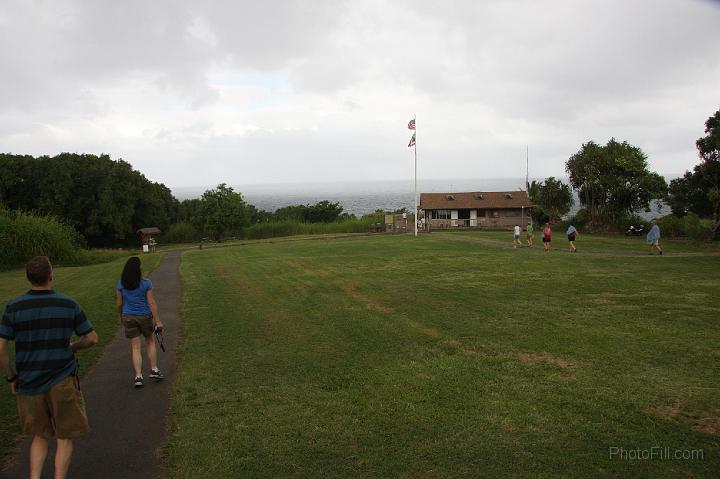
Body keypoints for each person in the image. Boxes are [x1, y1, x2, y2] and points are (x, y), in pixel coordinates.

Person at [0, 256, 98, 479]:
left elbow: (1, 348)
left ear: (28, 278)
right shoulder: (67, 304)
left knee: (39, 435)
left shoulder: (13, 307)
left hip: (28, 382)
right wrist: (73, 346)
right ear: (50, 276)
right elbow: (91, 338)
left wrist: (11, 377)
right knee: (64, 436)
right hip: (62, 379)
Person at [116, 257, 164, 387]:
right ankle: (153, 369)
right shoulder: (146, 283)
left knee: (135, 347)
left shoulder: (121, 284)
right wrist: (158, 321)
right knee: (149, 341)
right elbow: (151, 302)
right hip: (144, 316)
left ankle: (138, 376)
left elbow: (119, 304)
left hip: (128, 317)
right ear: (138, 269)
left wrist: (122, 317)